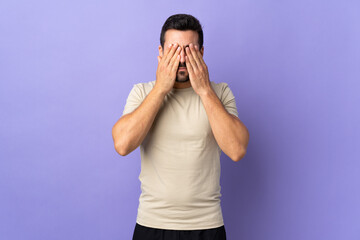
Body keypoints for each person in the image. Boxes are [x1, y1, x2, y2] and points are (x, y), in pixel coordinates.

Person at [112, 13, 249, 240]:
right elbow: (123, 145)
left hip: (207, 224)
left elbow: (236, 150)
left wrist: (204, 90)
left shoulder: (220, 92)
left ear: (202, 53)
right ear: (161, 53)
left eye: (189, 50)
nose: (182, 58)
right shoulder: (142, 92)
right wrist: (160, 89)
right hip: (152, 223)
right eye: (174, 50)